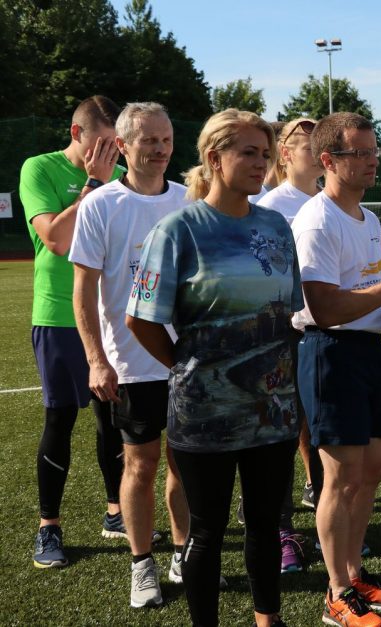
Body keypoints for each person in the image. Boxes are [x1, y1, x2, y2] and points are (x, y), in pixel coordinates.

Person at [126, 108, 302, 627]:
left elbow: (288, 311)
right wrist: (188, 368)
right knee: (206, 533)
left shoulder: (275, 226)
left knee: (266, 525)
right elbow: (142, 320)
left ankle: (268, 619)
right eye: (248, 151)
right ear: (213, 157)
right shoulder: (179, 229)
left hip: (272, 411)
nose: (260, 163)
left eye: (265, 154)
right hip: (203, 413)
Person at [293, 111, 381, 627]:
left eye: (375, 152)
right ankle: (337, 593)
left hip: (366, 353)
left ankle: (353, 571)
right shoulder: (315, 220)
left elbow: (358, 293)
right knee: (340, 478)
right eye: (361, 153)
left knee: (371, 470)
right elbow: (324, 306)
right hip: (329, 353)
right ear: (329, 161)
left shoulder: (367, 218)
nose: (373, 162)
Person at [70, 102, 188, 608]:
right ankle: (143, 566)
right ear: (122, 146)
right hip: (131, 362)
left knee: (185, 466)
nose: (160, 149)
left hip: (186, 360)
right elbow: (84, 290)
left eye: (165, 139)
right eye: (148, 141)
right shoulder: (101, 205)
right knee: (140, 465)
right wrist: (97, 359)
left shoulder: (189, 200)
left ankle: (185, 555)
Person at [19, 95, 126, 569]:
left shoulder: (123, 178)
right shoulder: (38, 169)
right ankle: (49, 527)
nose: (110, 154)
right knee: (60, 420)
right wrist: (94, 184)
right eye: (102, 144)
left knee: (114, 422)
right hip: (60, 317)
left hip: (110, 319)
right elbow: (58, 240)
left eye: (115, 146)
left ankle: (116, 513)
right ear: (76, 132)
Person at [258, 117, 325, 573]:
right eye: (304, 141)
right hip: (281, 337)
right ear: (284, 153)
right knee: (280, 439)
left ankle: (327, 527)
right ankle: (282, 533)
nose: (314, 148)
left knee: (321, 436)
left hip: (321, 335)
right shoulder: (269, 205)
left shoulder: (329, 201)